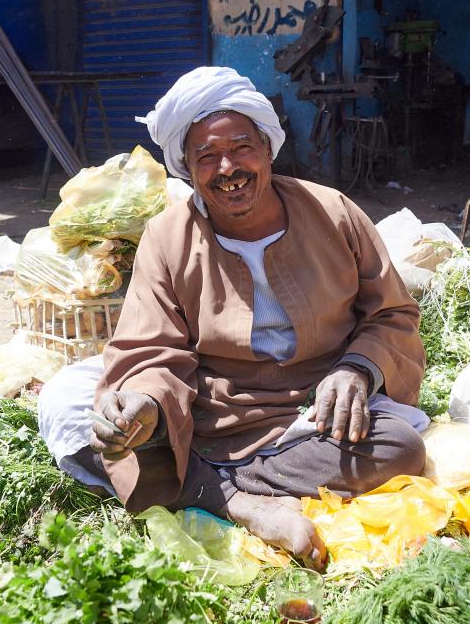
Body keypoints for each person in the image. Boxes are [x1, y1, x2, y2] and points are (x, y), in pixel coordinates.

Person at [38, 66, 426, 567]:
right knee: (70, 402)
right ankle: (239, 502)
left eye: (241, 148)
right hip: (209, 403)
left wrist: (357, 369)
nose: (228, 168)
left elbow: (392, 313)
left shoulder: (334, 212)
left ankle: (197, 484)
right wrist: (144, 405)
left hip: (313, 410)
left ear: (267, 148)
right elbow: (153, 346)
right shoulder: (167, 237)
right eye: (207, 157)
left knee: (400, 446)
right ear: (188, 169)